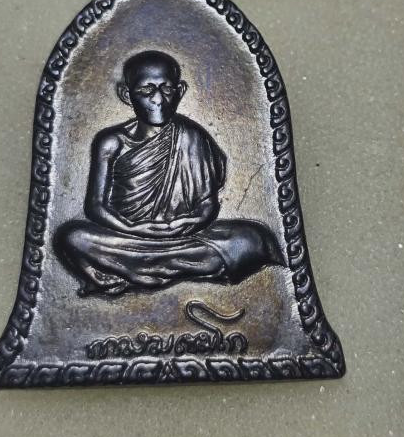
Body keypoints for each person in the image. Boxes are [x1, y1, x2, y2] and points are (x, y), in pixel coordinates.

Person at [54, 50, 284, 296]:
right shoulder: (111, 142)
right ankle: (156, 270)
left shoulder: (192, 137)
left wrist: (186, 224)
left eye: (166, 89)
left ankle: (130, 272)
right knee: (71, 237)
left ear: (180, 91)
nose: (158, 99)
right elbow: (96, 207)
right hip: (127, 237)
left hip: (181, 237)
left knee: (251, 239)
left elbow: (207, 205)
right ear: (126, 94)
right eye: (146, 90)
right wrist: (135, 228)